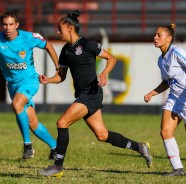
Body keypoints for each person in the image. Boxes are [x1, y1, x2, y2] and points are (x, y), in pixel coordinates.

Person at [37, 10, 153, 178]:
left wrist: (104, 74)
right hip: (82, 95)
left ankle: (57, 166)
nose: (57, 32)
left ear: (70, 28)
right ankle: (140, 147)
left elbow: (111, 58)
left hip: (91, 94)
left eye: (59, 28)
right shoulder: (65, 51)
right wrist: (47, 80)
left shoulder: (87, 44)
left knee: (62, 122)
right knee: (102, 135)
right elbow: (61, 77)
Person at [0, 11, 58, 159]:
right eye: (4, 24)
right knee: (32, 123)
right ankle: (56, 148)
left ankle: (27, 146)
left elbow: (48, 45)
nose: (7, 28)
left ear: (17, 25)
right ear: (1, 26)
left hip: (30, 81)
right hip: (13, 85)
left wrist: (58, 67)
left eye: (11, 24)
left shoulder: (28, 37)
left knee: (16, 105)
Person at [144, 24, 186, 177]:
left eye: (159, 35)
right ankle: (178, 169)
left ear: (169, 39)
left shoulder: (177, 52)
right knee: (165, 131)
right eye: (155, 35)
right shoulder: (160, 60)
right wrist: (152, 93)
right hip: (175, 98)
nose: (155, 38)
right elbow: (167, 82)